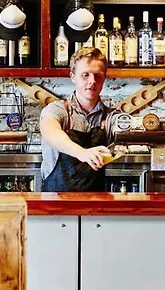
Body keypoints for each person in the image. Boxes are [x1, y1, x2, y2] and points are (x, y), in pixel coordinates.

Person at [40, 47, 119, 192]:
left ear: (104, 78)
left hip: (95, 202)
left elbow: (128, 134)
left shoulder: (110, 117)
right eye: (85, 75)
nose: (92, 81)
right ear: (72, 76)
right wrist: (82, 153)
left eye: (98, 75)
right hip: (55, 200)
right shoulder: (58, 110)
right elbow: (50, 132)